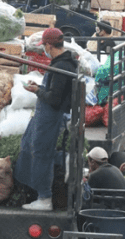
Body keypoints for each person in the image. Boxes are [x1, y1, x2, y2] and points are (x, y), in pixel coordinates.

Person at [15, 28, 78, 211]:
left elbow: (54, 99)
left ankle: (44, 197)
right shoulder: (61, 62)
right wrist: (41, 87)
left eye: (45, 46)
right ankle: (33, 187)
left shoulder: (61, 67)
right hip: (44, 114)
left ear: (49, 45)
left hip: (50, 116)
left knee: (42, 153)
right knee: (28, 146)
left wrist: (37, 91)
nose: (44, 50)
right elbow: (53, 91)